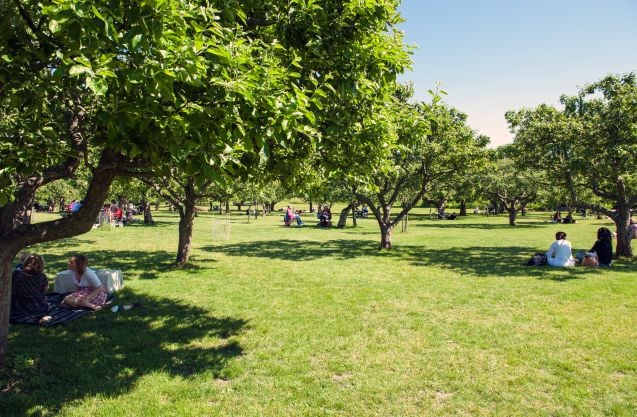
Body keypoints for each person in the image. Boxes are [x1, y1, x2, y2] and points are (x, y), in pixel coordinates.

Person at [10, 254, 49, 318]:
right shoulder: (42, 276)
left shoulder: (16, 274)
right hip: (37, 306)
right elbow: (45, 289)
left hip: (17, 306)